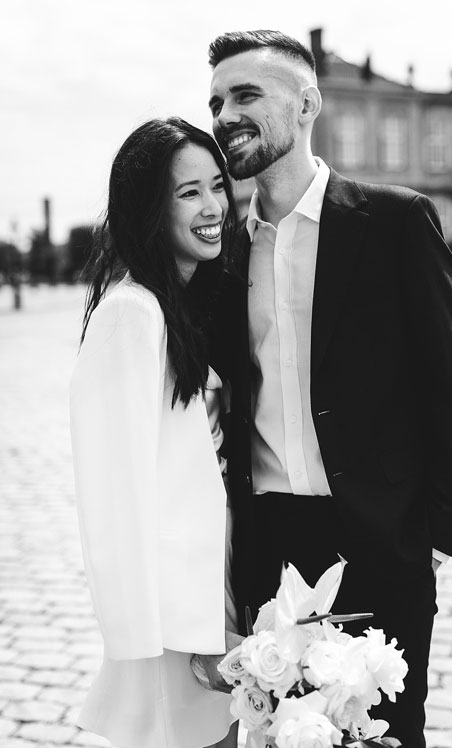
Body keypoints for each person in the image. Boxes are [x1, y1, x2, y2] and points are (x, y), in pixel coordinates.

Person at [205, 30, 452, 748]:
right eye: (215, 100)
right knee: (278, 736)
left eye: (245, 95)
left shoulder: (394, 222)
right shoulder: (224, 249)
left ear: (306, 105)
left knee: (388, 735)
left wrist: (435, 537)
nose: (224, 114)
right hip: (268, 542)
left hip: (379, 537)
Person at [69, 118, 240, 747]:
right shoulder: (129, 316)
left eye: (217, 185)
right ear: (147, 209)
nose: (213, 207)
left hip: (211, 599)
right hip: (174, 626)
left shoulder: (183, 309)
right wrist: (175, 640)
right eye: (188, 192)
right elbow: (115, 499)